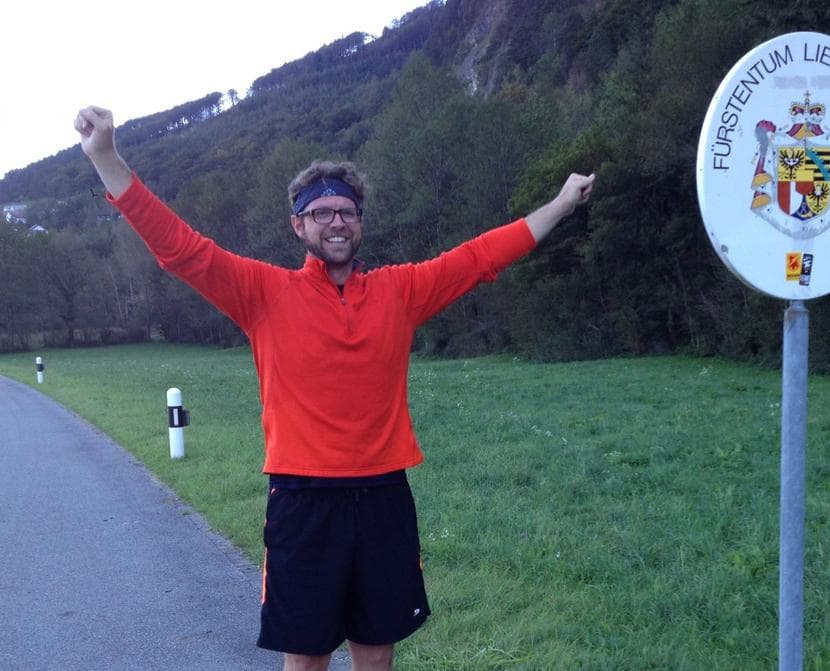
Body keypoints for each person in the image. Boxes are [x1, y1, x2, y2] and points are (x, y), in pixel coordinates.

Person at [74, 105, 595, 671]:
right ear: (298, 225)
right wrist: (106, 157)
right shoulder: (262, 292)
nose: (336, 222)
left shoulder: (402, 291)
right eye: (320, 213)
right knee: (307, 653)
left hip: (383, 495)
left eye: (346, 211)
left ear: (361, 223)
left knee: (376, 649)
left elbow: (480, 258)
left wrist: (563, 204)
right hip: (302, 500)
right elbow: (180, 248)